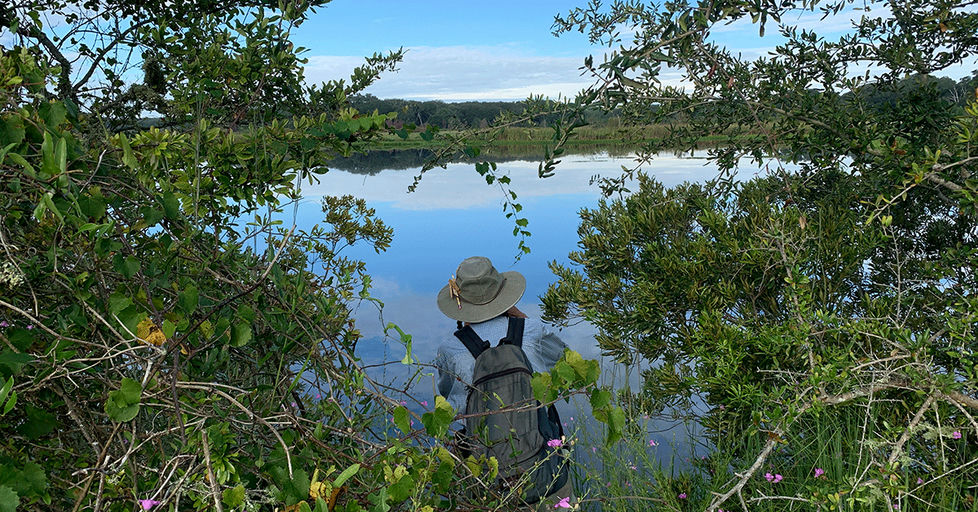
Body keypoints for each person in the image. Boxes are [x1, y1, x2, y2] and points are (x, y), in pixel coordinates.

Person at [434, 256, 572, 510]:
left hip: (486, 481)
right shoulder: (532, 330)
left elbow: (449, 406)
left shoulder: (450, 349)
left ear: (460, 303)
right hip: (546, 471)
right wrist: (522, 320)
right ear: (504, 295)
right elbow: (566, 368)